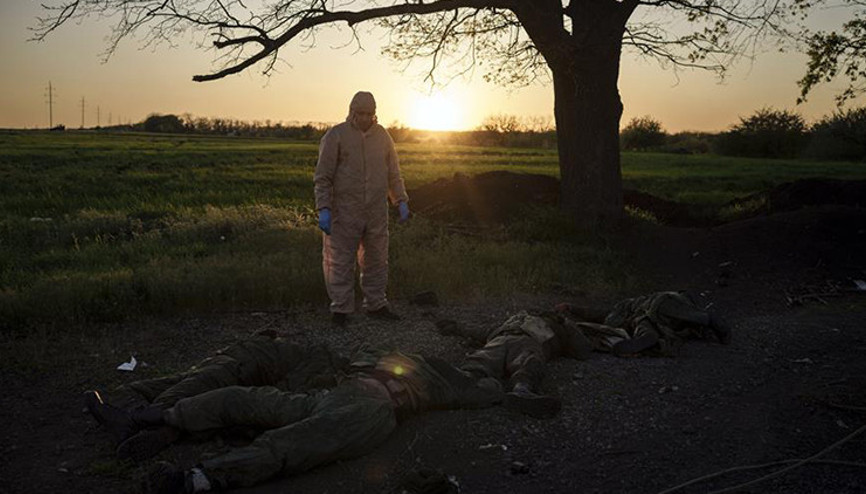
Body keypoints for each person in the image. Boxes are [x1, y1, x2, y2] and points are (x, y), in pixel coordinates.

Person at [88, 347, 502, 494]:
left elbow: (482, 393)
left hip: (372, 413)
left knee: (290, 444)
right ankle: (143, 417)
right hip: (333, 395)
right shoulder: (391, 356)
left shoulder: (444, 377)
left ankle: (198, 478)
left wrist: (516, 387)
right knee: (242, 399)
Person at [85, 333, 345, 461]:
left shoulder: (324, 367)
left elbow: (283, 392)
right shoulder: (326, 366)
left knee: (195, 386)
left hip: (243, 367)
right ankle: (146, 416)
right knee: (179, 386)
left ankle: (134, 420)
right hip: (242, 364)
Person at [314, 91, 410, 327]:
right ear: (352, 111)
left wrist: (400, 199)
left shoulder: (383, 137)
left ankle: (376, 305)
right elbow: (323, 177)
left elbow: (393, 173)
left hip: (376, 211)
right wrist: (324, 208)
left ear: (375, 113)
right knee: (340, 260)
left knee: (377, 259)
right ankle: (341, 309)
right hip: (343, 211)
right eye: (361, 113)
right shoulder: (336, 135)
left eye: (370, 114)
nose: (366, 118)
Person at [439, 310, 593, 419]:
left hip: (530, 341)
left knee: (528, 360)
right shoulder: (511, 322)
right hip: (501, 338)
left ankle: (522, 390)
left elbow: (582, 351)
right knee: (483, 357)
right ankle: (467, 379)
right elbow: (482, 331)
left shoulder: (557, 325)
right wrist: (457, 328)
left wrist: (567, 324)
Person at [556, 291, 732, 356]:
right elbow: (597, 315)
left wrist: (572, 307)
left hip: (658, 304)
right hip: (652, 315)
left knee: (683, 314)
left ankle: (708, 320)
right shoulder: (631, 318)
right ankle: (647, 338)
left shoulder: (624, 308)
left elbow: (597, 313)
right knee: (649, 324)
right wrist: (570, 308)